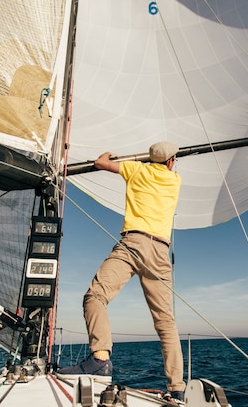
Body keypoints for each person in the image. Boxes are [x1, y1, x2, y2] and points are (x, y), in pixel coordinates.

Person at [57, 141, 186, 401]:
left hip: (133, 243)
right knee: (166, 322)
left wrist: (109, 156)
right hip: (160, 251)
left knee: (95, 297)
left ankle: (100, 359)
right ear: (171, 162)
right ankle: (177, 389)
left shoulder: (136, 170)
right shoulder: (175, 181)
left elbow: (101, 162)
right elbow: (162, 166)